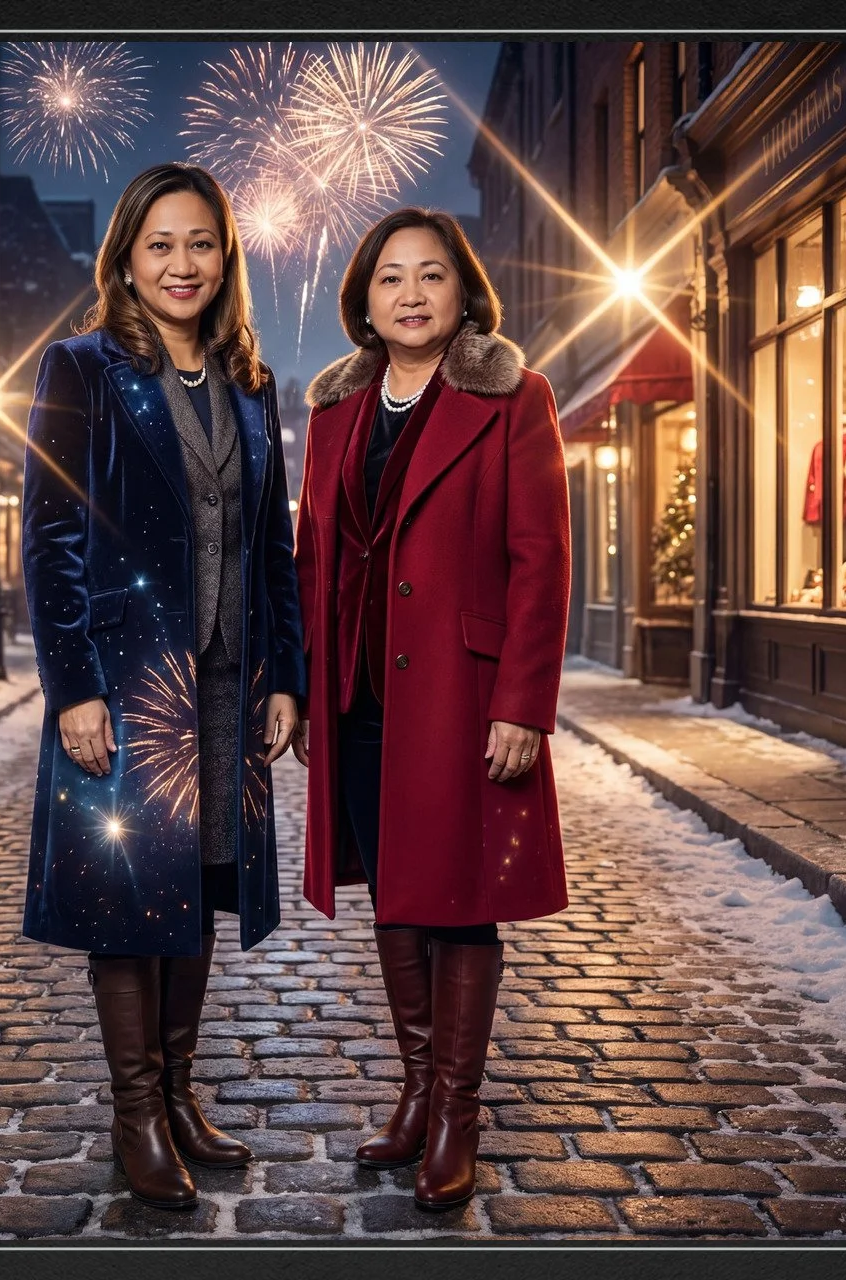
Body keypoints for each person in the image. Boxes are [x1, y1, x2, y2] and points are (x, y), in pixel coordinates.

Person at [20, 162, 306, 1211]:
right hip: (128, 683)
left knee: (197, 887)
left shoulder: (252, 382)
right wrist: (73, 687)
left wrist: (290, 677)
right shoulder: (82, 368)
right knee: (131, 897)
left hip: (230, 679)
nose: (181, 264)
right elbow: (51, 538)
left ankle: (181, 1094)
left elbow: (270, 542)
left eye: (200, 243)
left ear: (224, 254)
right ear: (127, 261)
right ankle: (135, 1110)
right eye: (160, 245)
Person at [287, 207, 570, 1212]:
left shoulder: (513, 397)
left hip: (460, 694)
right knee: (397, 892)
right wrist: (310, 684)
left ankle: (457, 1109)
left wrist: (522, 703)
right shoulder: (334, 412)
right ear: (364, 298)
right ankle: (414, 1090)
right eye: (391, 277)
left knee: (461, 902)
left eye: (432, 275)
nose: (411, 294)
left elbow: (541, 559)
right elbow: (313, 552)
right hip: (362, 691)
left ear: (463, 291)